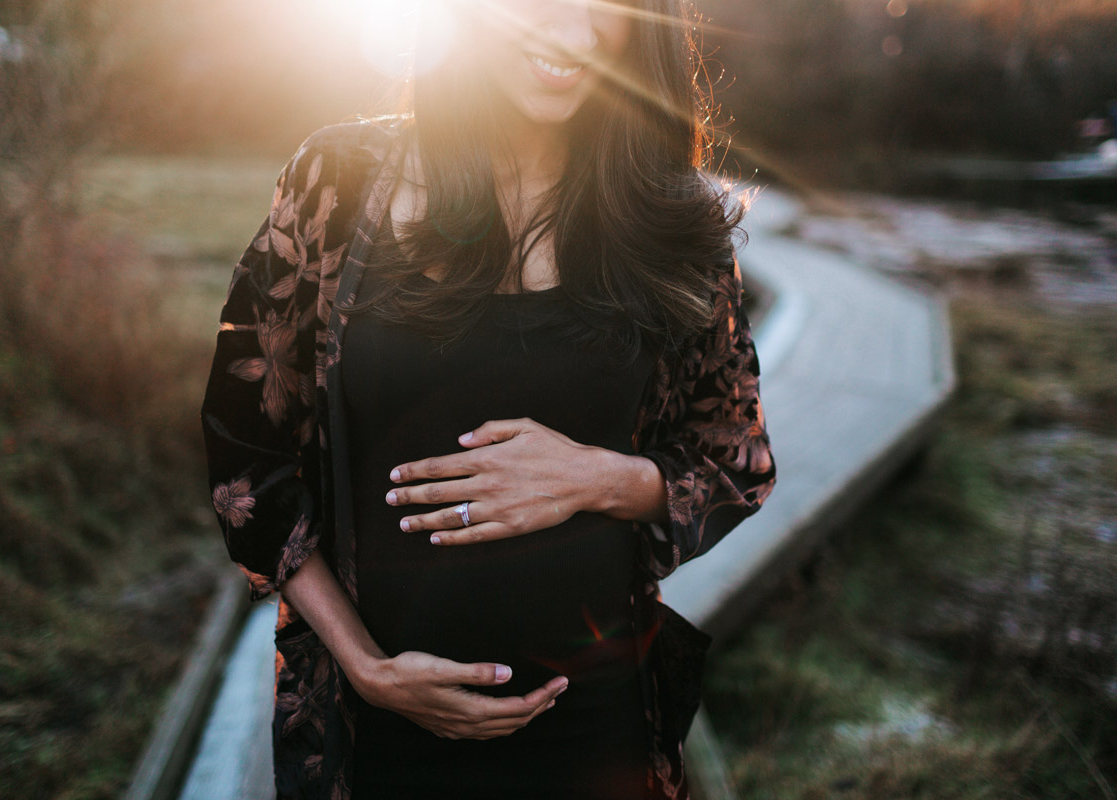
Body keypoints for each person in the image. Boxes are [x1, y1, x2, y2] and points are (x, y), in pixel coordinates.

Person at [200, 1, 776, 798]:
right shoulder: (337, 184)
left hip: (596, 740)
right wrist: (366, 668)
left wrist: (595, 477)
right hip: (381, 738)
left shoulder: (671, 216)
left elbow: (733, 458)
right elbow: (248, 459)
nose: (574, 37)